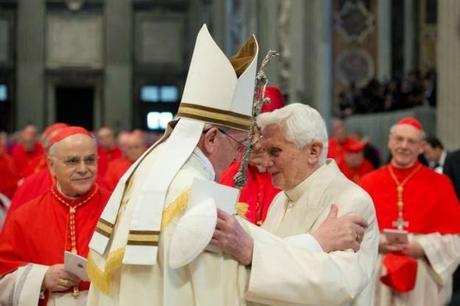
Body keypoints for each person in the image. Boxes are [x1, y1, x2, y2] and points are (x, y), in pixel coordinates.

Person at [86, 25, 369, 306]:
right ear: (211, 139)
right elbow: (230, 278)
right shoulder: (192, 194)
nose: (238, 157)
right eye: (238, 144)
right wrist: (316, 243)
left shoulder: (153, 174)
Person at [212, 103, 379, 305]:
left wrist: (253, 253)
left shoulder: (351, 201)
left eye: (275, 151)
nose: (266, 161)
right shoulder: (280, 199)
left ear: (313, 152)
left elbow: (336, 284)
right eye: (264, 151)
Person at [0, 126, 111, 306]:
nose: (83, 169)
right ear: (51, 165)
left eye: (90, 160)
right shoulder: (24, 217)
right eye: (72, 161)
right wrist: (41, 278)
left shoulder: (118, 210)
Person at [359, 117, 460, 306]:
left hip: (423, 275)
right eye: (399, 139)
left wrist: (422, 247)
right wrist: (377, 243)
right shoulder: (368, 182)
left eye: (411, 141)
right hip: (377, 272)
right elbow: (352, 232)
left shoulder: (441, 184)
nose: (404, 146)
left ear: (421, 147)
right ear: (390, 142)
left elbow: (455, 239)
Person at [219, 85, 284, 225]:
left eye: (263, 133)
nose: (257, 144)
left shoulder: (289, 177)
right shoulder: (230, 173)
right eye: (252, 133)